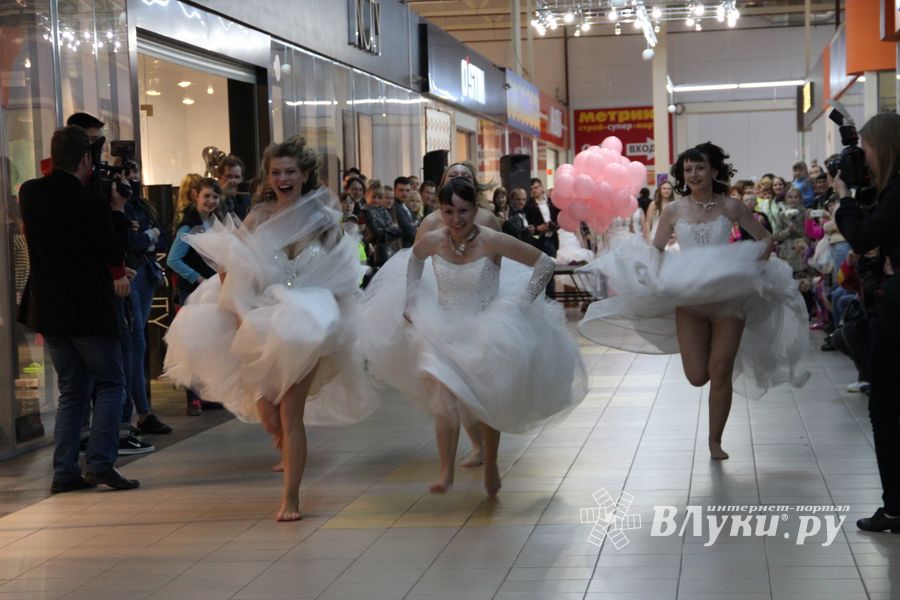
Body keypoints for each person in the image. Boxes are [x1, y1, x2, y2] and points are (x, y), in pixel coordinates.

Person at [164, 137, 378, 521]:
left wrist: (343, 320)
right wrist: (240, 308)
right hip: (263, 319)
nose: (283, 179)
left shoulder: (325, 220)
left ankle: (291, 499)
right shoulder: (259, 217)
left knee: (290, 413)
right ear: (268, 176)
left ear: (305, 174)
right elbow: (232, 265)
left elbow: (345, 275)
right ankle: (282, 442)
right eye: (276, 172)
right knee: (269, 415)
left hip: (309, 321)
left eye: (290, 172)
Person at [577, 141, 809, 460]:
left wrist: (756, 262)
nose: (694, 174)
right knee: (698, 375)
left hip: (729, 297)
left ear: (715, 170)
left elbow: (765, 237)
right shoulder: (673, 210)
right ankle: (713, 418)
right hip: (689, 298)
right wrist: (652, 276)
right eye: (688, 169)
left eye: (700, 168)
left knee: (721, 367)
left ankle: (715, 441)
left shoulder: (732, 207)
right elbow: (656, 249)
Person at [360, 178, 587, 496]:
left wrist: (520, 303)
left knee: (487, 399)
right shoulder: (434, 240)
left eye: (463, 211)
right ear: (441, 210)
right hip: (443, 327)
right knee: (445, 398)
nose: (456, 219)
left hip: (486, 327)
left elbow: (544, 263)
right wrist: (411, 300)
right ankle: (445, 472)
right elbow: (413, 262)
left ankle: (491, 463)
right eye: (449, 211)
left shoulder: (491, 240)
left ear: (475, 209)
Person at [17, 125, 139, 492]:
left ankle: (64, 471)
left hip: (49, 308)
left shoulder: (30, 192)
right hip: (87, 309)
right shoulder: (90, 201)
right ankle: (101, 463)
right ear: (86, 158)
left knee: (71, 389)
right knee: (111, 382)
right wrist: (117, 209)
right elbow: (113, 249)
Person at [833, 112, 900, 533]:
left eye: (868, 148)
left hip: (894, 314)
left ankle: (894, 507)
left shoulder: (895, 193)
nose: (865, 157)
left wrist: (845, 198)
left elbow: (862, 236)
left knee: (885, 409)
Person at [415, 162, 500, 240]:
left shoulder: (488, 219)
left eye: (466, 176)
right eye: (453, 175)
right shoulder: (430, 222)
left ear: (475, 186)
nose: (459, 178)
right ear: (443, 185)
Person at [217, 154, 251, 220]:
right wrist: (222, 195)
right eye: (229, 177)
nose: (233, 181)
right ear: (219, 178)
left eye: (237, 177)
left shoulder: (246, 200)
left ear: (242, 178)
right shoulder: (212, 198)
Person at [392, 176, 418, 248]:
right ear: (394, 190)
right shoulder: (395, 207)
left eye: (407, 190)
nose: (405, 193)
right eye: (401, 190)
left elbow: (417, 222)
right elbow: (409, 230)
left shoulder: (406, 206)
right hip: (402, 248)